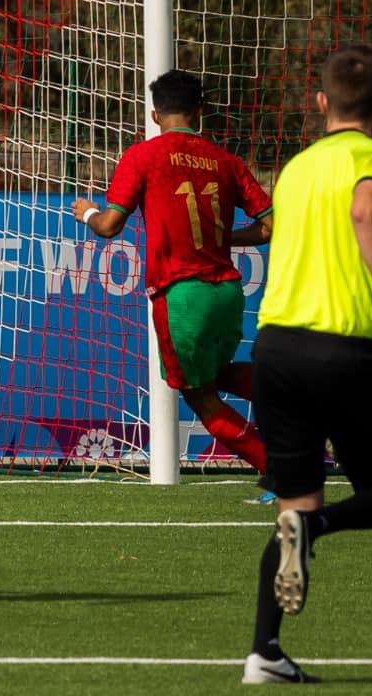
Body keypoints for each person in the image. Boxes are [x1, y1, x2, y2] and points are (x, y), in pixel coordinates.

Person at [242, 45, 372, 685]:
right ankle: (315, 527)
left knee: (292, 500)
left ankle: (264, 652)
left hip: (274, 349)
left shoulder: (293, 169)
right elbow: (365, 210)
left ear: (320, 103)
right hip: (338, 352)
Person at [73, 69, 273, 474]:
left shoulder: (143, 156)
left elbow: (110, 227)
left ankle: (284, 471)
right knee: (216, 376)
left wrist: (88, 213)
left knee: (201, 398)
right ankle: (301, 399)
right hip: (228, 292)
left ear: (153, 115)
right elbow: (270, 225)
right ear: (199, 111)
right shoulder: (226, 161)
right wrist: (222, 240)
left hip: (181, 295)